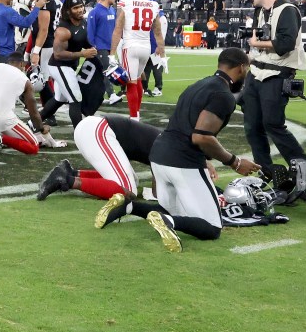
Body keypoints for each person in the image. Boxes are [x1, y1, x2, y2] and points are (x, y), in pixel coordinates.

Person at [95, 48, 260, 252]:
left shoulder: (197, 85)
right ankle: (168, 222)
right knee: (212, 227)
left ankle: (127, 206)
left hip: (159, 154)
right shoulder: (223, 95)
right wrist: (234, 162)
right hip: (182, 161)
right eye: (247, 69)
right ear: (241, 67)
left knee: (173, 208)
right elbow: (200, 136)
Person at [242, 0, 306, 172]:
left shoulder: (287, 9)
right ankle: (266, 172)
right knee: (252, 126)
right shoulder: (259, 11)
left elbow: (286, 44)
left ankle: (305, 169)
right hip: (256, 72)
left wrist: (256, 44)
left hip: (277, 73)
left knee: (273, 124)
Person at [38, 0, 100, 128]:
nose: (79, 10)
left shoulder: (83, 22)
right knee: (75, 99)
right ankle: (80, 133)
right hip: (59, 66)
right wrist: (82, 54)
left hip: (69, 66)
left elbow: (84, 41)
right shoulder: (63, 30)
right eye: (75, 8)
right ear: (68, 11)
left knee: (59, 99)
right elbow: (58, 54)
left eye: (81, 6)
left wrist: (94, 50)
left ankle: (33, 123)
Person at [110, 0, 164, 121]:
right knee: (138, 79)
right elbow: (158, 32)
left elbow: (117, 29)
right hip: (146, 47)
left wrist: (111, 53)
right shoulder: (153, 5)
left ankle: (134, 117)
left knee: (131, 83)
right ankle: (137, 112)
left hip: (130, 46)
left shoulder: (125, 3)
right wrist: (163, 55)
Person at [0, 63, 51, 156]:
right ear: (21, 64)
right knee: (34, 147)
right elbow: (33, 114)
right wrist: (41, 128)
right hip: (3, 119)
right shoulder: (25, 81)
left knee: (12, 125)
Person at [87, 0, 117, 102]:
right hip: (100, 46)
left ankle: (97, 95)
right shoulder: (95, 12)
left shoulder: (112, 10)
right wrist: (92, 45)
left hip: (110, 46)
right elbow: (91, 30)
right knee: (107, 70)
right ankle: (112, 94)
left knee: (100, 72)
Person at [142, 5, 169, 97]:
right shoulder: (153, 15)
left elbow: (162, 34)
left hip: (154, 46)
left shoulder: (161, 17)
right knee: (146, 69)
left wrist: (159, 47)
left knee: (156, 68)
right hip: (148, 46)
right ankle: (144, 88)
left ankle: (158, 87)